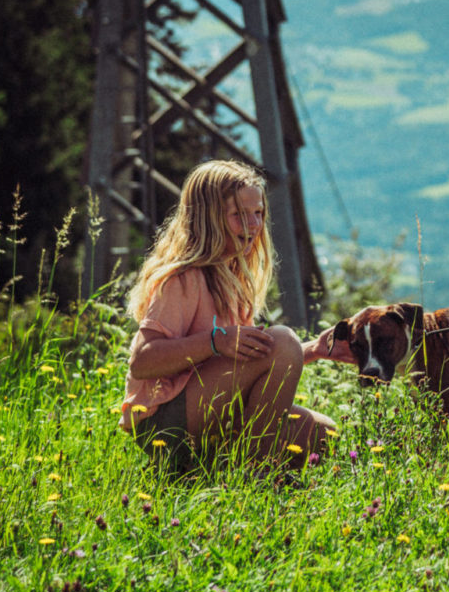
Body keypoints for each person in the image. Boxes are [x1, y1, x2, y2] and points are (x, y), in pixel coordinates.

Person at [119, 160, 336, 475]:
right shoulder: (183, 278)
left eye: (258, 213)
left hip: (203, 410)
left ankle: (221, 467)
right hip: (164, 421)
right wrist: (215, 342)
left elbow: (251, 359)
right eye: (238, 215)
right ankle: (258, 476)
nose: (252, 224)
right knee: (282, 339)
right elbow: (143, 361)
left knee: (322, 433)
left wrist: (314, 349)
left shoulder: (232, 275)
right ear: (207, 218)